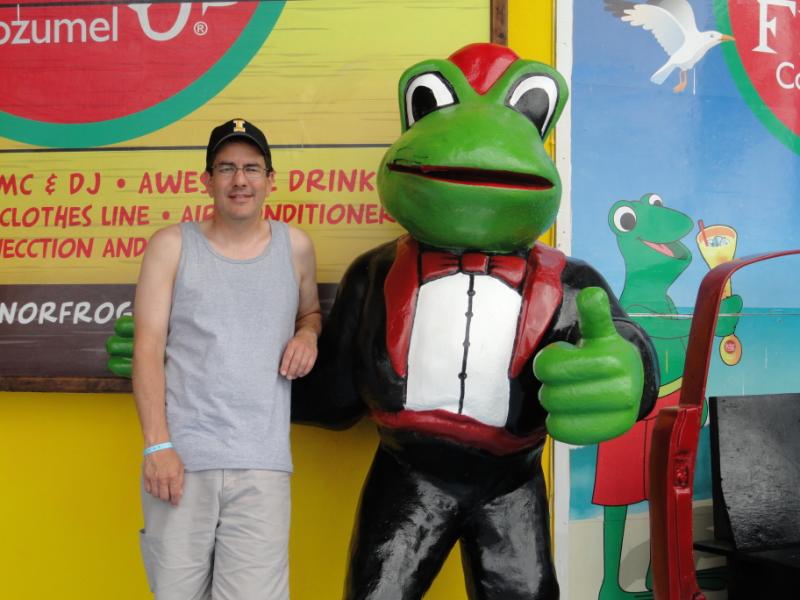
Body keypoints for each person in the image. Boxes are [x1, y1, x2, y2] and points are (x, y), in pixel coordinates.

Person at [133, 118, 321, 600]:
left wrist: (308, 334)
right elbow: (147, 349)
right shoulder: (171, 247)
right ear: (207, 179)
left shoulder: (296, 248)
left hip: (262, 465)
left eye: (252, 169)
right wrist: (157, 447)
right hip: (181, 463)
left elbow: (310, 312)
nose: (240, 180)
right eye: (227, 168)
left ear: (270, 180)